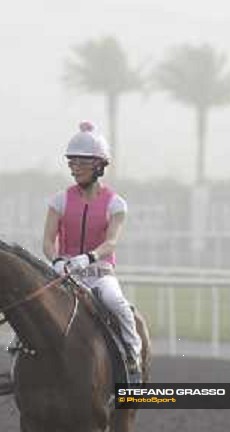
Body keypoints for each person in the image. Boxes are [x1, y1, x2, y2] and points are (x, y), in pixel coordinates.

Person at [42, 121, 142, 383]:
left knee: (116, 303)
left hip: (99, 274)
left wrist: (87, 258)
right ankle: (19, 353)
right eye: (71, 162)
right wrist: (56, 260)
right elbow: (47, 240)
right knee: (35, 307)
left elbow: (111, 242)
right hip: (65, 274)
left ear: (99, 165)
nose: (74, 168)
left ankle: (133, 355)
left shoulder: (116, 204)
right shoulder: (59, 200)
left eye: (81, 162)